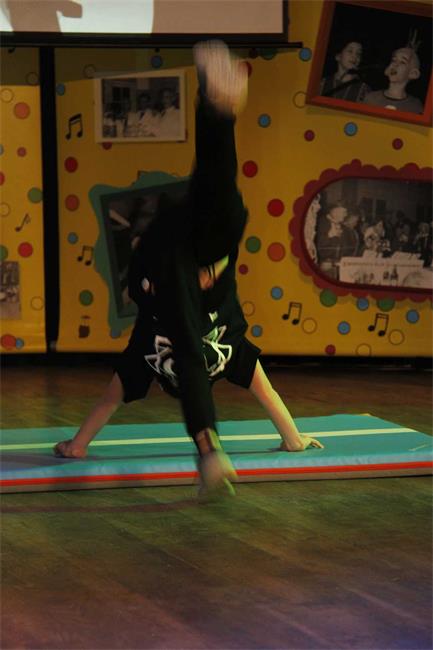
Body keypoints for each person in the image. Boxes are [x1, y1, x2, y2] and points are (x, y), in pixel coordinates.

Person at [53, 41, 323, 497]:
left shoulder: (155, 349)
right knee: (217, 190)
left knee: (218, 193)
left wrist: (76, 446)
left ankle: (217, 107)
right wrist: (292, 441)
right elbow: (264, 392)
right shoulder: (215, 345)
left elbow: (111, 399)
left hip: (175, 256)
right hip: (185, 250)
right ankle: (218, 108)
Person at [363, 44, 423, 114]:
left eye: (402, 62)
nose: (395, 64)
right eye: (394, 60)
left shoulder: (415, 107)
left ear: (413, 73)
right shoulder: (371, 98)